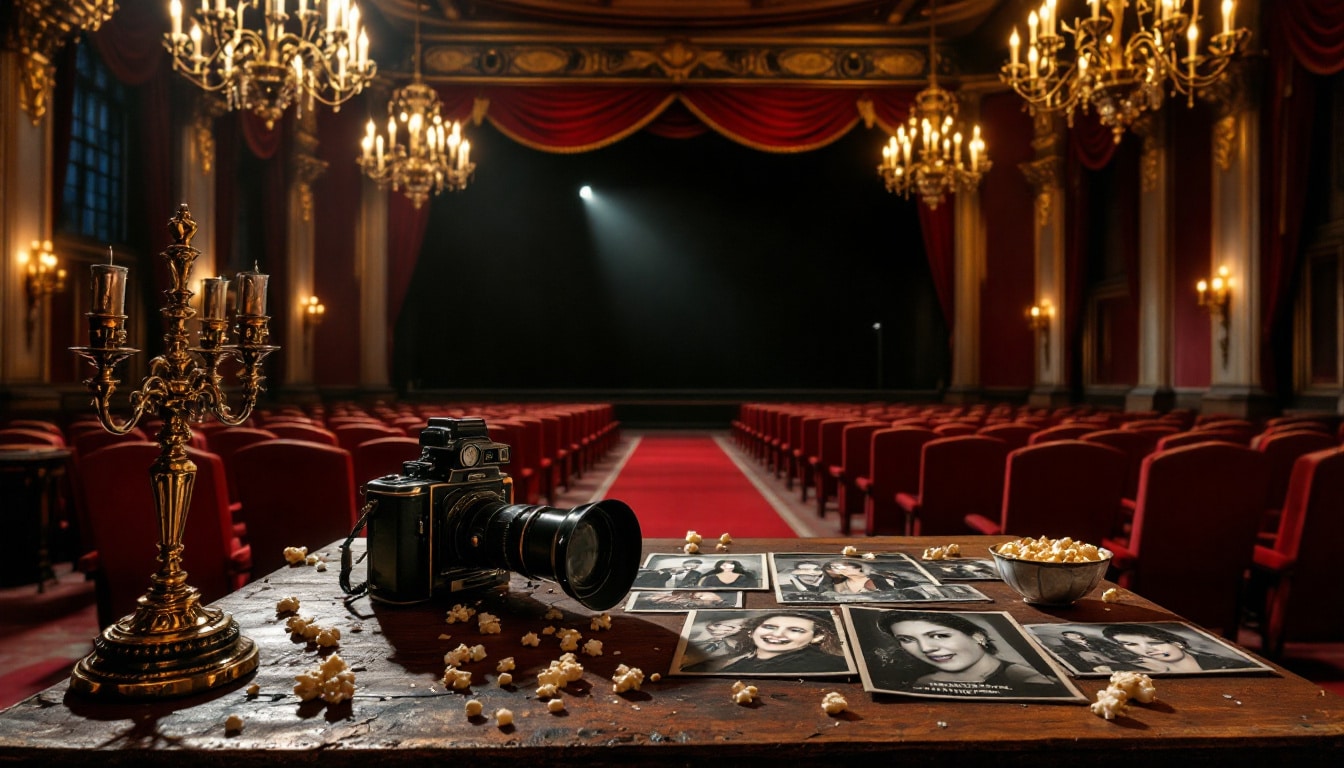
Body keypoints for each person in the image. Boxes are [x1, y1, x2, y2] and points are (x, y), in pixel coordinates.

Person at [879, 611, 1056, 686]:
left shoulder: (1030, 679)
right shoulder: (924, 681)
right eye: (907, 639)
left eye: (939, 635)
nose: (925, 649)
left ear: (977, 636)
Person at [685, 611, 849, 674]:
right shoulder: (741, 657)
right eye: (769, 626)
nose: (777, 634)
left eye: (795, 630)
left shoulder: (821, 665)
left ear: (818, 637)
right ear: (752, 631)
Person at [1101, 624, 1249, 673]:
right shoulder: (1136, 671)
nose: (1147, 650)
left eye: (1154, 643)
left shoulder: (1227, 666)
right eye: (1131, 645)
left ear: (1178, 643)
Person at [821, 560, 915, 595]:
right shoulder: (840, 586)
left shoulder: (880, 579)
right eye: (836, 569)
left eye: (841, 566)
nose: (841, 569)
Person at [633, 558, 705, 589]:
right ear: (684, 564)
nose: (695, 565)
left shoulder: (696, 574)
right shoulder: (667, 570)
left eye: (697, 564)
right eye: (692, 563)